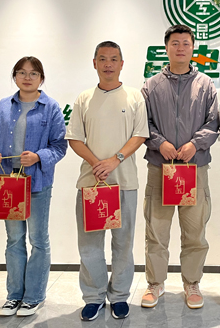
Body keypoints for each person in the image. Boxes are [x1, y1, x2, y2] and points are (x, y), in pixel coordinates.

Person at [66, 41, 149, 321]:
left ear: (122, 64)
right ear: (94, 63)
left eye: (114, 59)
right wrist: (95, 163)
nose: (108, 64)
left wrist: (115, 160)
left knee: (123, 243)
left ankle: (120, 296)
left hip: (124, 182)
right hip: (90, 184)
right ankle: (93, 297)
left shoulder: (135, 97)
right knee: (90, 244)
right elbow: (75, 138)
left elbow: (140, 135)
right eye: (103, 59)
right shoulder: (84, 98)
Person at [140, 24, 219, 309]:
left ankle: (192, 283)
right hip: (159, 168)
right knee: (156, 231)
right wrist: (159, 142)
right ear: (166, 48)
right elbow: (142, 122)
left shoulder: (206, 85)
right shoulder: (150, 85)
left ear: (193, 47)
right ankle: (155, 283)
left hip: (194, 169)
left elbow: (214, 122)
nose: (181, 48)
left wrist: (194, 144)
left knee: (195, 232)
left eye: (186, 43)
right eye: (175, 43)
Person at [0, 56, 67, 317]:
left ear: (41, 78)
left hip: (37, 183)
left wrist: (38, 157)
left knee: (38, 240)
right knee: (14, 240)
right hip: (9, 184)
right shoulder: (3, 106)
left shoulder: (51, 107)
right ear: (15, 76)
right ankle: (14, 296)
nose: (27, 77)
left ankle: (33, 297)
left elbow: (60, 146)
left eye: (33, 73)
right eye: (21, 72)